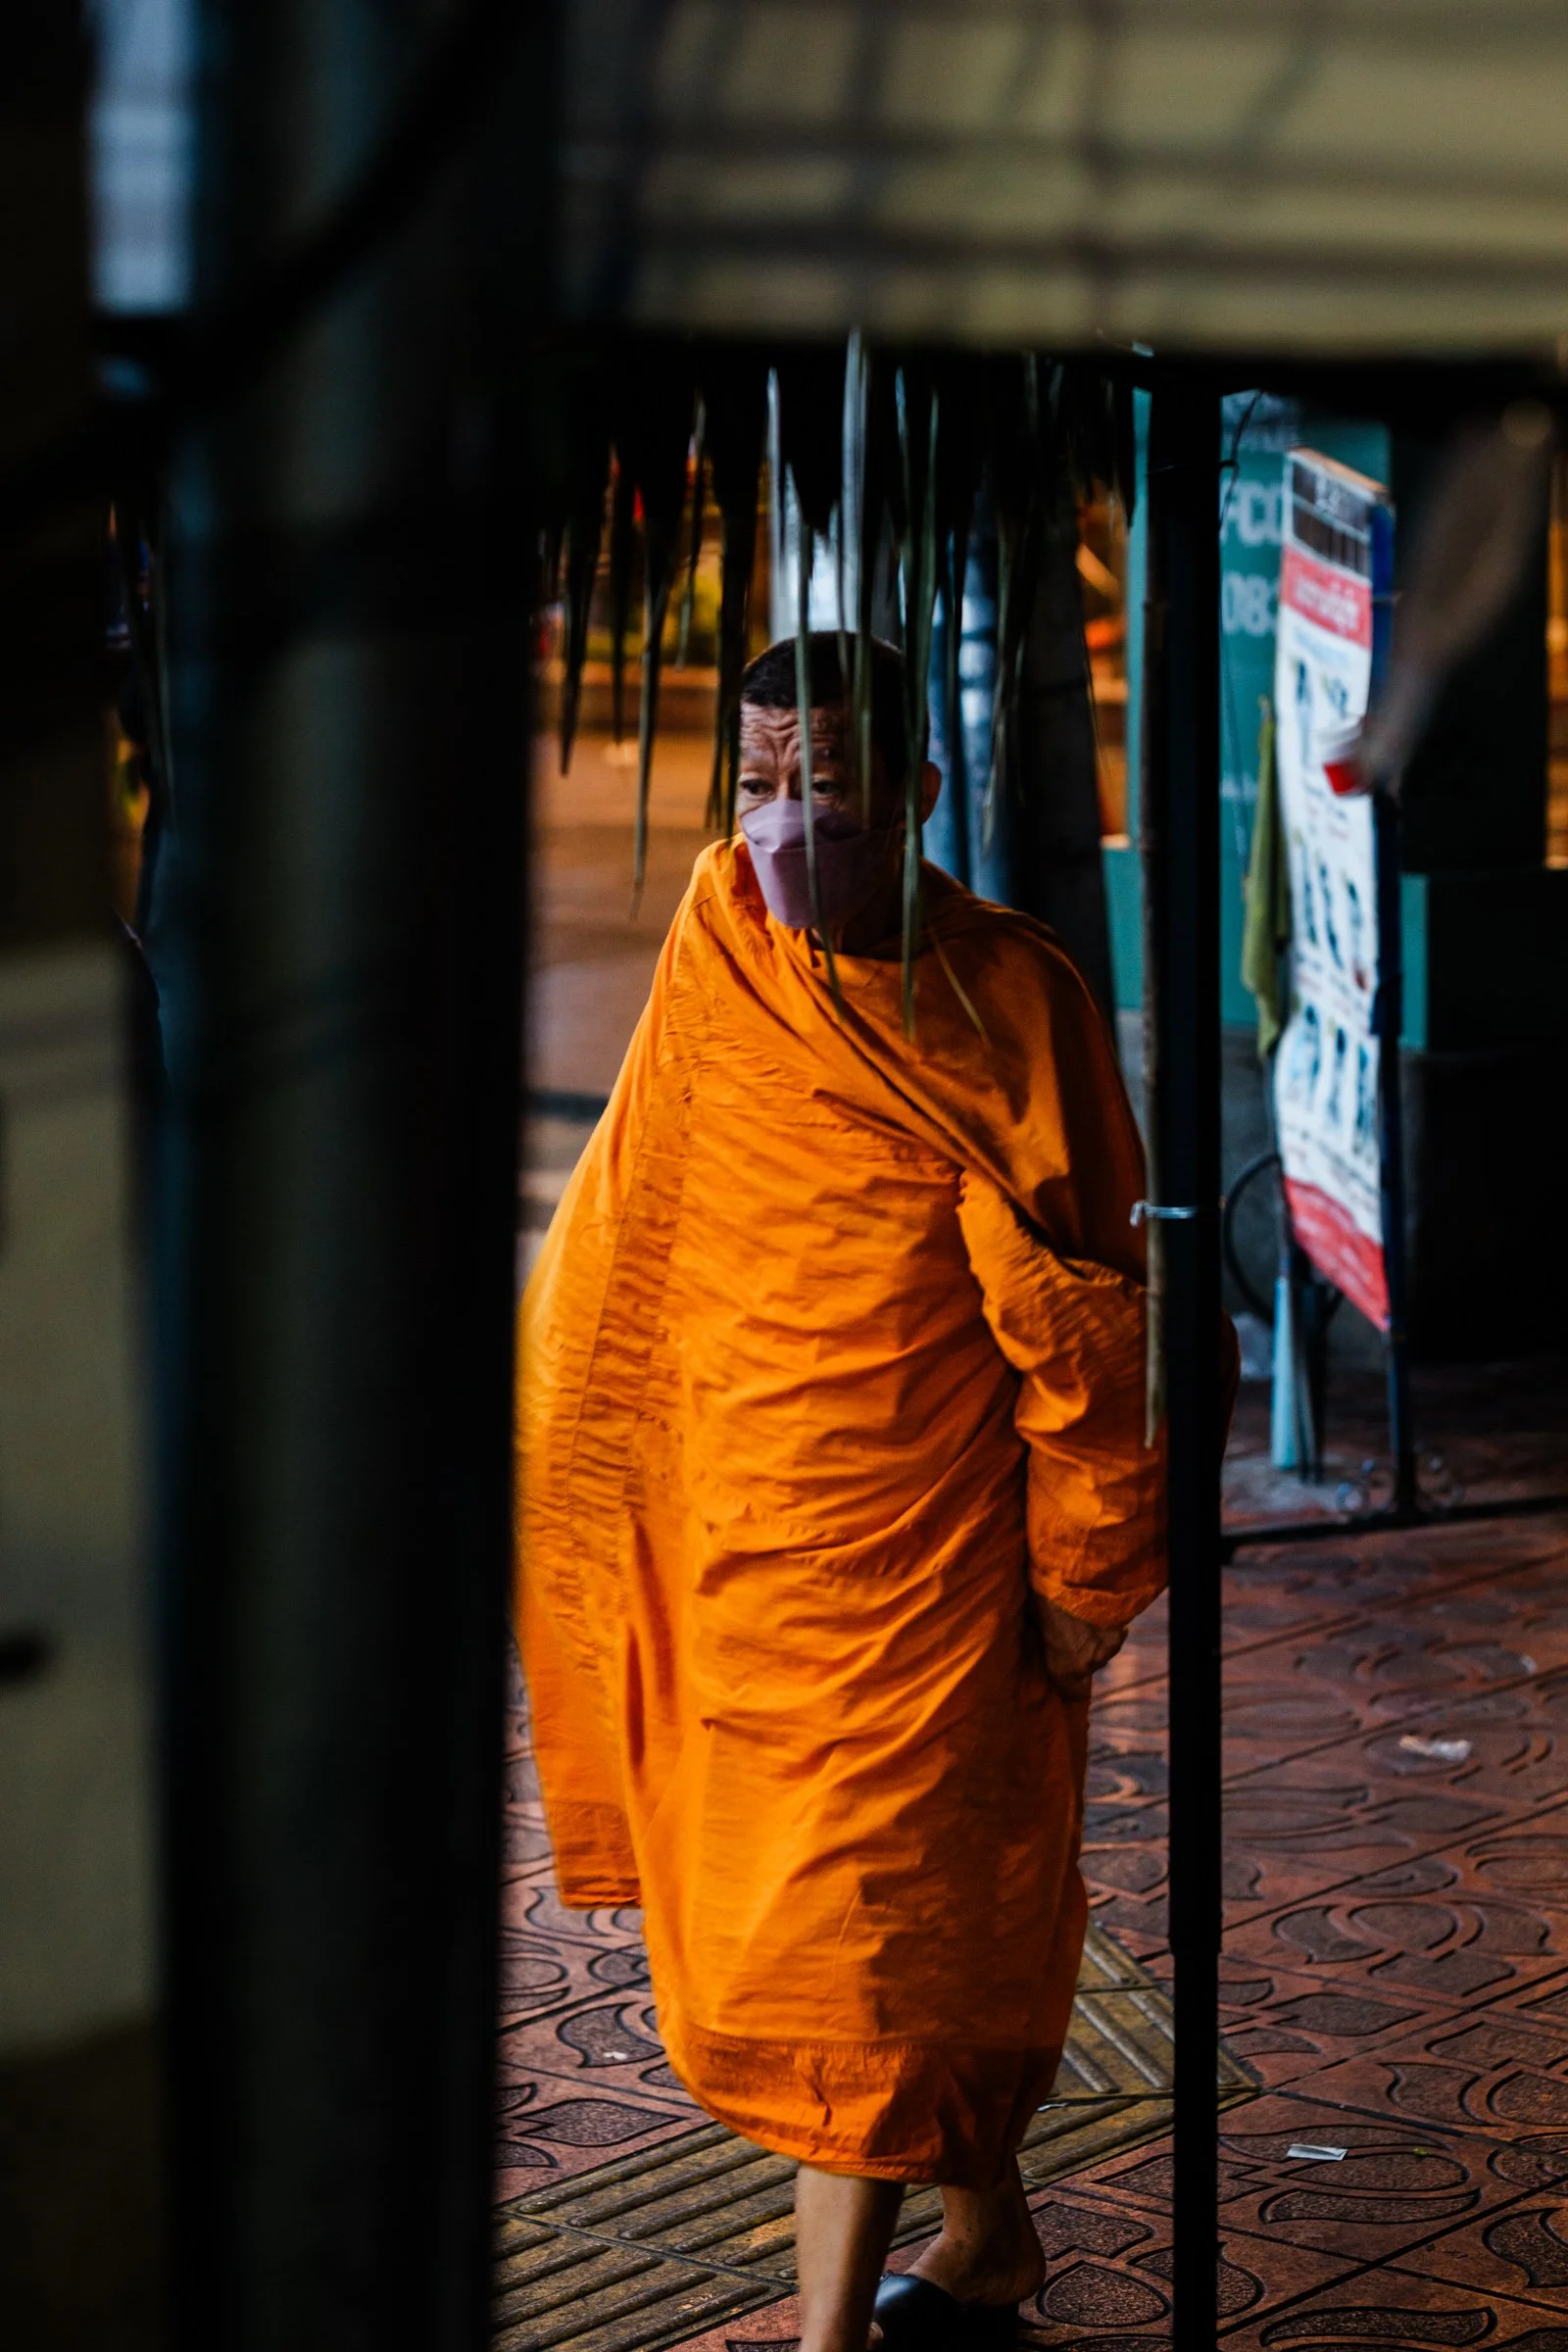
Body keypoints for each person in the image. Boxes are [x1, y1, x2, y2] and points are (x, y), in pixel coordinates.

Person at [516, 634, 1229, 2352]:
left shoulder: (1008, 996)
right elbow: (640, 1237)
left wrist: (1082, 1579)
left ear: (914, 795)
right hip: (749, 1544)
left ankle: (825, 2338)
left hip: (933, 1567)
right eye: (754, 786)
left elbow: (1094, 1326)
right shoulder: (720, 942)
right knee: (919, 1950)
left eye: (821, 786)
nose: (776, 829)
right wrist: (602, 1477)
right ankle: (985, 2240)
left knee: (877, 1953)